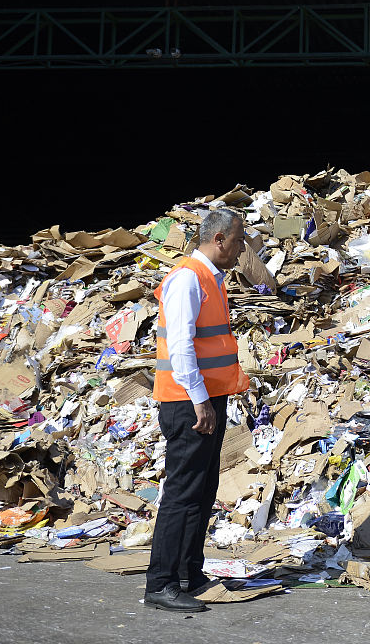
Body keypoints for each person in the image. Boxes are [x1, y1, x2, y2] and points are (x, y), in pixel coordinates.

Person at [144, 208, 248, 612]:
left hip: (205, 399)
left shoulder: (211, 279)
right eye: (238, 242)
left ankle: (189, 572)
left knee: (202, 491)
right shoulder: (188, 277)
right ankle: (161, 582)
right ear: (218, 239)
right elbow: (183, 345)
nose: (241, 251)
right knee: (182, 492)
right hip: (187, 401)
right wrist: (200, 400)